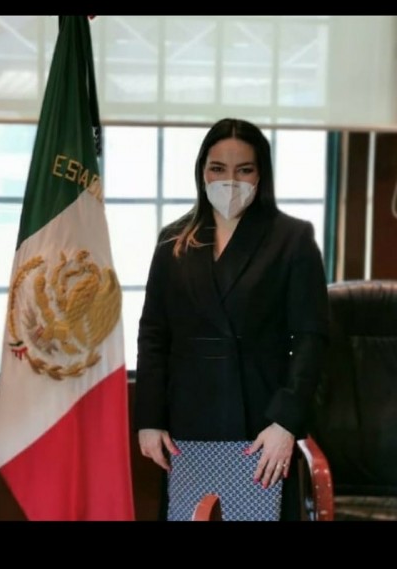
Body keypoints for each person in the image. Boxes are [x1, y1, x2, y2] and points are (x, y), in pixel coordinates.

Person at [133, 118, 329, 521]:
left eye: (244, 170)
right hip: (188, 422)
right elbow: (153, 333)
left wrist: (285, 422)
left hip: (262, 425)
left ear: (261, 174)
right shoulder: (174, 239)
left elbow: (311, 338)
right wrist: (149, 419)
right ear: (202, 172)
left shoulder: (291, 239)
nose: (230, 181)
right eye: (218, 169)